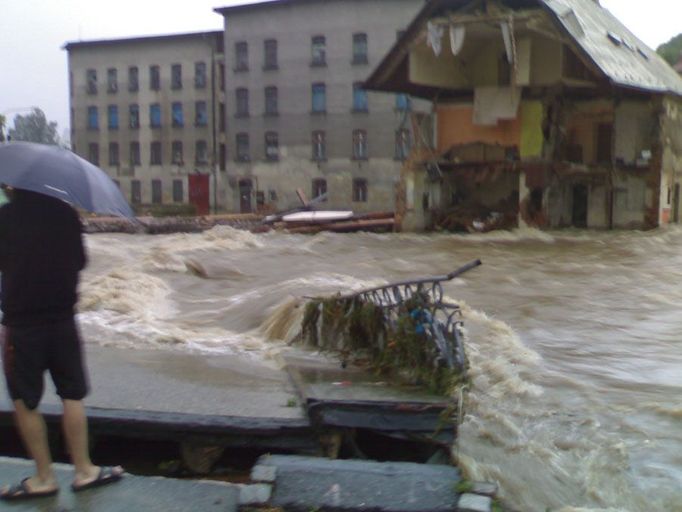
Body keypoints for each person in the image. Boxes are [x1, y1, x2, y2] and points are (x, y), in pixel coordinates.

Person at [0, 186, 123, 500]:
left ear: (14, 186)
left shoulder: (5, 216)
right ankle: (84, 470)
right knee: (72, 394)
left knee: (25, 401)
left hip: (21, 325)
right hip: (63, 320)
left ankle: (44, 478)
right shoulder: (65, 214)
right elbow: (80, 262)